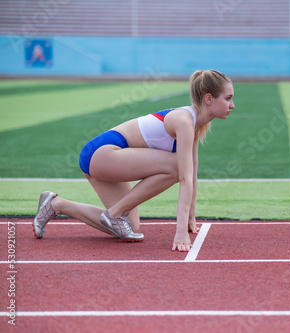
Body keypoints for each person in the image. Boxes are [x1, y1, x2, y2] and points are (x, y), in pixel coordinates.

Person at [33, 70, 235, 252]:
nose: (232, 105)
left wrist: (191, 218)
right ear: (209, 99)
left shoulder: (196, 125)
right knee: (177, 167)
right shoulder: (184, 120)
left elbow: (194, 174)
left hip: (112, 160)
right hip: (102, 153)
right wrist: (180, 231)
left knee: (131, 225)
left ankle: (56, 204)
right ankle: (115, 213)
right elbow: (185, 177)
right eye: (228, 99)